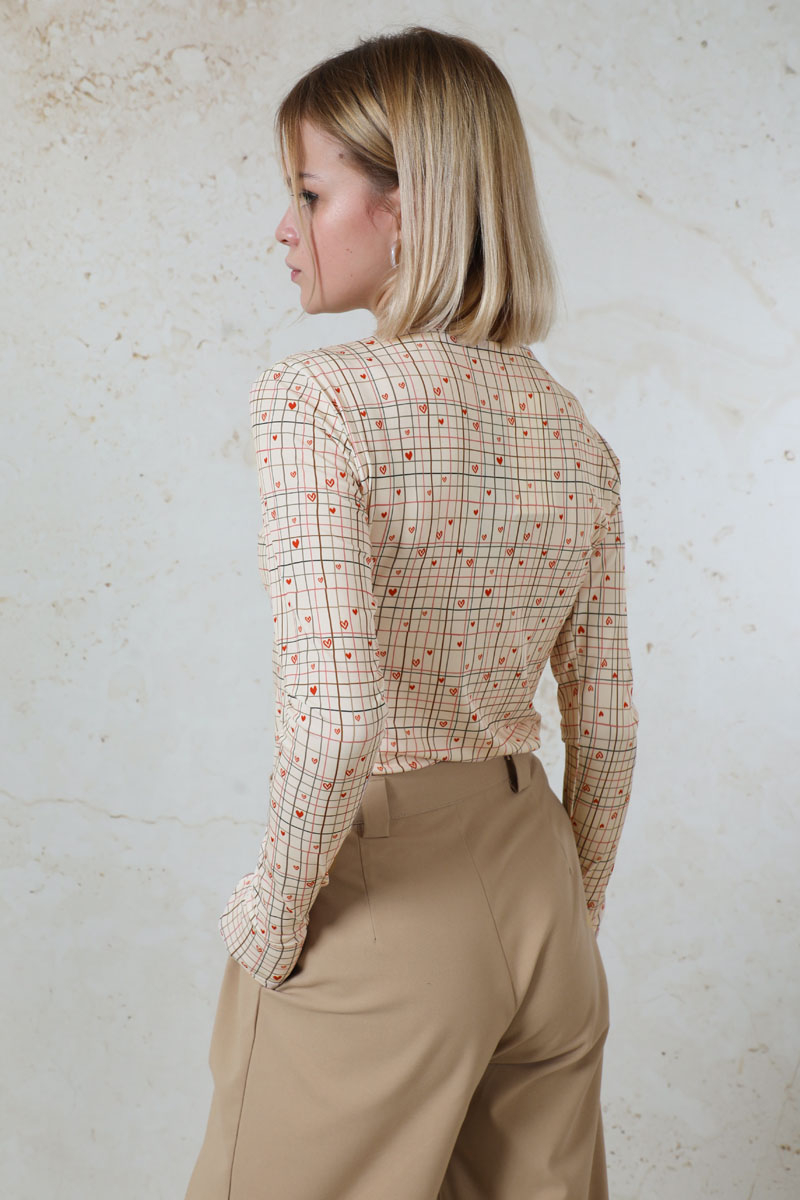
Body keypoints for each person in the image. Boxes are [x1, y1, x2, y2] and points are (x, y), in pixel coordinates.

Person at [185, 25, 638, 1200]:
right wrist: (570, 913)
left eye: (308, 192)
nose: (283, 228)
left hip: (385, 898)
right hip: (538, 892)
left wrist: (272, 913)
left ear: (405, 208)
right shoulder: (573, 434)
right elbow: (607, 725)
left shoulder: (317, 401)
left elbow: (337, 717)